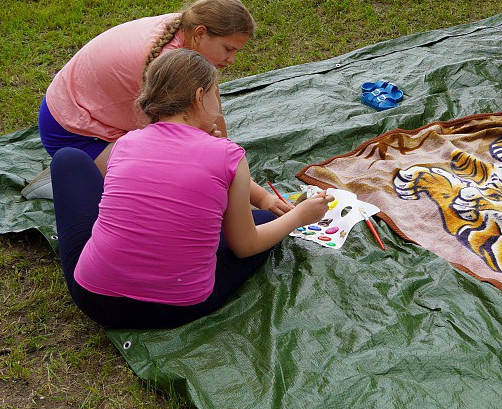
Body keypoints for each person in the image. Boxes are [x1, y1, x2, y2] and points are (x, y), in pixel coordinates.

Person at [51, 49, 332, 329]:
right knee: (272, 222)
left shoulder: (125, 143)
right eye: (215, 94)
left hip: (96, 300)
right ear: (200, 97)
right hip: (179, 308)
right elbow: (245, 246)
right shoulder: (228, 155)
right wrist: (299, 217)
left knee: (67, 158)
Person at [33, 0, 290, 214]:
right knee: (174, 185)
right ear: (201, 34)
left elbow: (215, 124)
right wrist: (260, 198)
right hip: (73, 134)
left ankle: (88, 171)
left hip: (81, 109)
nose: (232, 60)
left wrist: (224, 151)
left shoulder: (185, 27)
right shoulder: (171, 64)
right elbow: (199, 154)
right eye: (228, 49)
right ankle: (73, 179)